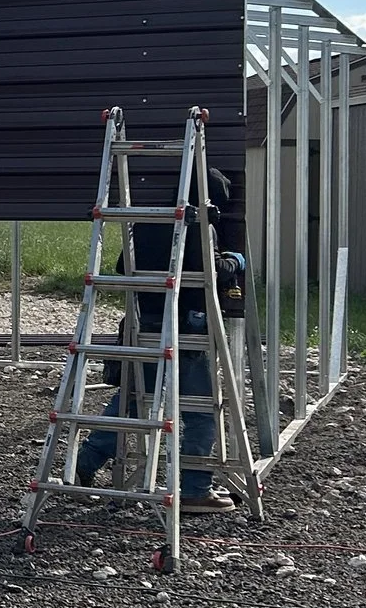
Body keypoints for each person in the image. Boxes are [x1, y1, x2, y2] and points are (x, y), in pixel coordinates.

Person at [76, 168, 245, 513]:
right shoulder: (199, 227)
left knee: (136, 402)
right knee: (200, 413)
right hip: (188, 330)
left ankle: (84, 464)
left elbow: (126, 266)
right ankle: (196, 489)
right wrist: (233, 261)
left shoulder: (149, 220)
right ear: (209, 200)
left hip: (146, 325)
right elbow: (206, 273)